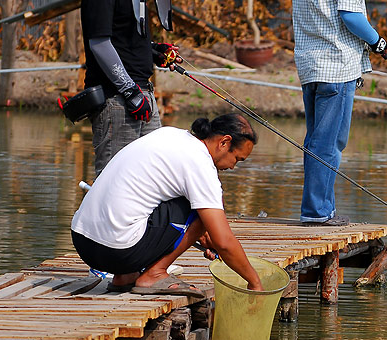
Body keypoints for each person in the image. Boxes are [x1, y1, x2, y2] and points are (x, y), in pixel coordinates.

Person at [71, 113, 264, 295]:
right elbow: (224, 242)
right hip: (116, 251)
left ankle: (125, 276)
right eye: (237, 159)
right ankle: (154, 274)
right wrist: (254, 282)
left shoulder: (171, 134)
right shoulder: (201, 165)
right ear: (224, 142)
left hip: (83, 242)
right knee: (204, 208)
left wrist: (202, 234)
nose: (232, 166)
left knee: (191, 203)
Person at [292, 0, 387, 226]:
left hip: (309, 68)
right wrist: (377, 41)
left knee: (316, 139)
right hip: (337, 68)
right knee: (328, 143)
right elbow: (352, 17)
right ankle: (317, 213)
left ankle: (319, 209)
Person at [80, 0, 186, 176]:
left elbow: (124, 38)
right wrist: (129, 92)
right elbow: (100, 44)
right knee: (113, 178)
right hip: (117, 99)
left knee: (152, 175)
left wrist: (154, 52)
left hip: (142, 94)